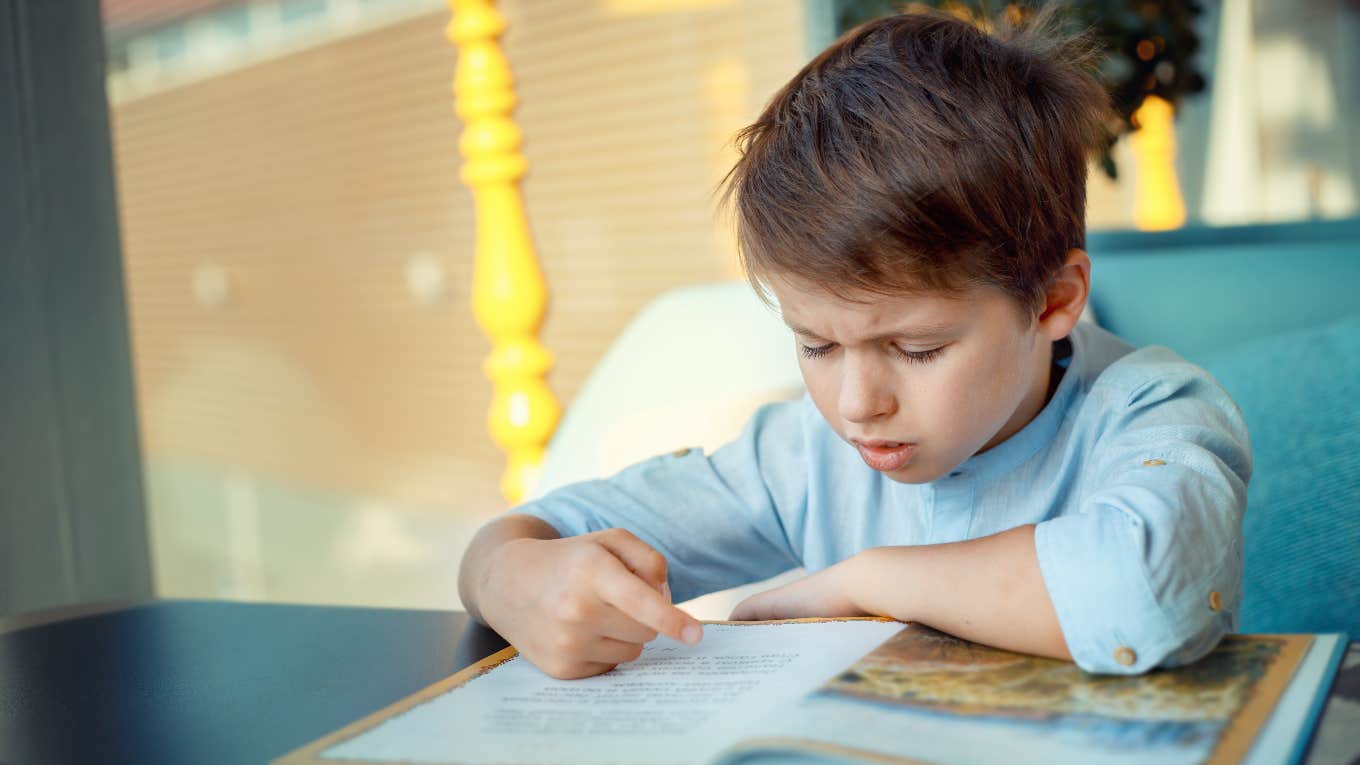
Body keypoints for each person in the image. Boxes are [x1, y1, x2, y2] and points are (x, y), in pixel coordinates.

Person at [457, 7, 1249, 680]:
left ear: (1053, 300)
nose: (857, 404)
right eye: (817, 346)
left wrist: (867, 581)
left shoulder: (1154, 412)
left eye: (917, 349)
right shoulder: (804, 459)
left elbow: (1148, 589)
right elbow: (537, 530)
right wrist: (509, 574)